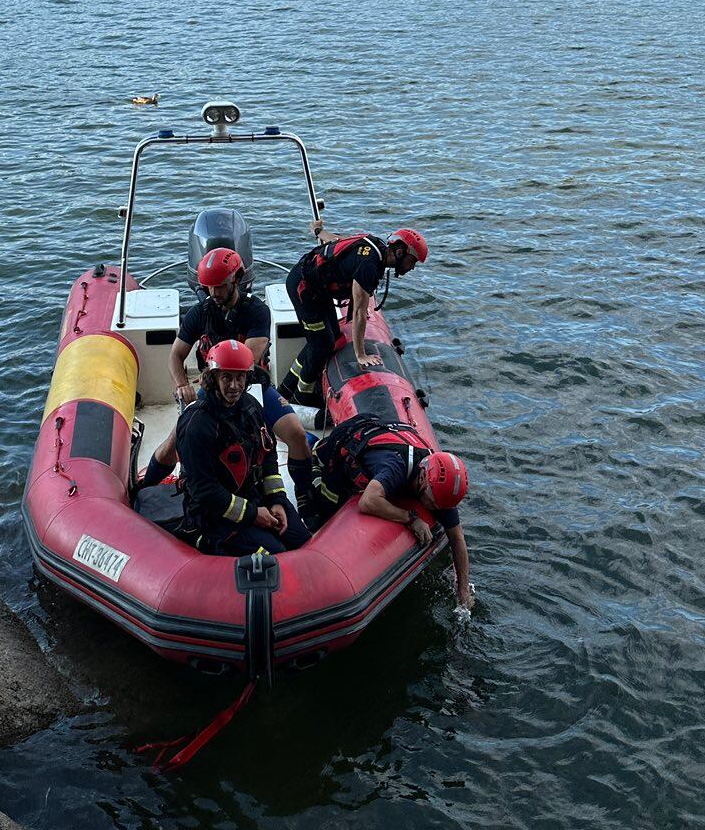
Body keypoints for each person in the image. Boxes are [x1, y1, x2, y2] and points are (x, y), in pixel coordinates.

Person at [136, 247, 315, 508]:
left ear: (236, 279)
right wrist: (182, 384)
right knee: (173, 444)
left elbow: (246, 359)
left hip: (250, 386)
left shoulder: (257, 311)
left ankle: (305, 497)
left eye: (219, 286)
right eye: (208, 287)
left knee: (297, 435)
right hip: (213, 390)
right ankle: (143, 489)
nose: (214, 293)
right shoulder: (200, 313)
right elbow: (176, 354)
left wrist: (214, 371)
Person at [309, 415, 474, 612]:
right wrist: (411, 518)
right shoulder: (397, 467)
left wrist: (463, 589)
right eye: (432, 502)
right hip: (345, 441)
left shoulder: (440, 490)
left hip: (379, 433)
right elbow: (368, 501)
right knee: (325, 509)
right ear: (422, 478)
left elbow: (457, 538)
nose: (435, 509)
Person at [175, 341, 312, 557]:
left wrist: (276, 500)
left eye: (240, 377)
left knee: (302, 541)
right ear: (213, 378)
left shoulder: (251, 406)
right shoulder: (197, 425)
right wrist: (253, 514)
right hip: (216, 517)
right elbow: (204, 490)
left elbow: (268, 455)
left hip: (255, 497)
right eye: (226, 377)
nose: (234, 386)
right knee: (275, 556)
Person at [280, 228, 428, 406]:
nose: (412, 267)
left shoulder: (375, 245)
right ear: (399, 252)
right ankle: (300, 397)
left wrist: (319, 231)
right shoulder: (368, 265)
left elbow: (338, 240)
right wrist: (361, 354)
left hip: (318, 290)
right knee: (321, 344)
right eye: (412, 261)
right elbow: (359, 312)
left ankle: (286, 387)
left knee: (333, 337)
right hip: (304, 290)